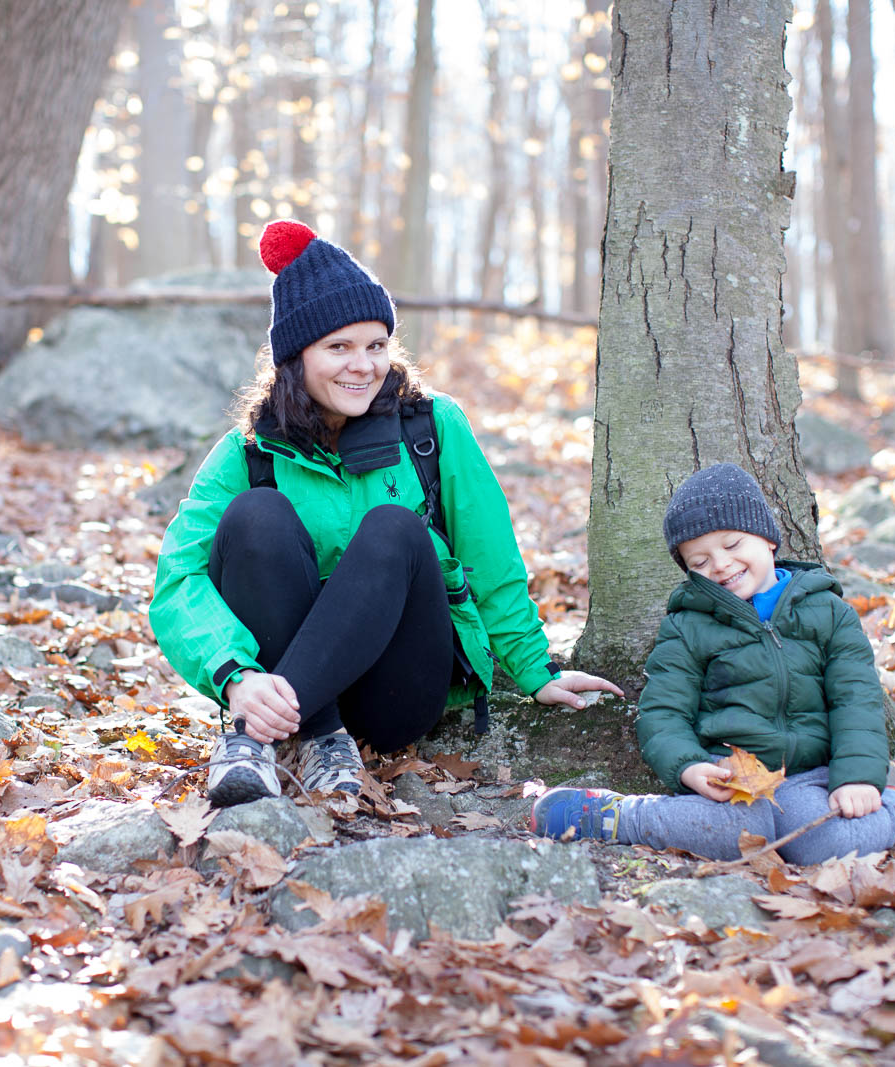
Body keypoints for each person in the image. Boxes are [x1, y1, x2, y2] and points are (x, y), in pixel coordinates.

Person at [150, 219, 622, 807]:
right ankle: (320, 736)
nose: (363, 366)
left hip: (397, 687)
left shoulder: (432, 426)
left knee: (396, 529)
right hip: (287, 689)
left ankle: (251, 740)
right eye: (339, 347)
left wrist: (536, 669)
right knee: (256, 516)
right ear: (295, 358)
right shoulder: (246, 454)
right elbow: (177, 582)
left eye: (376, 345)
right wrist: (235, 677)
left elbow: (489, 557)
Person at [531, 463, 895, 864]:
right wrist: (688, 765)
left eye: (732, 545)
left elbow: (857, 699)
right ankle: (619, 817)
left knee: (832, 843)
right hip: (727, 771)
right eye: (701, 562)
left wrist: (858, 774)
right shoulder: (687, 625)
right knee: (742, 834)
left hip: (814, 774)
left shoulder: (829, 612)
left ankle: (890, 793)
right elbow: (663, 711)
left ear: (768, 541)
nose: (721, 565)